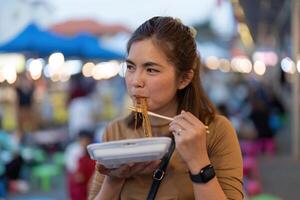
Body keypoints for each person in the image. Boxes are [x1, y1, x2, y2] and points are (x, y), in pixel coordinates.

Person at [88, 16, 243, 200]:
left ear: (184, 79)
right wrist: (114, 179)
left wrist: (198, 161)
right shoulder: (116, 131)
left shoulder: (215, 131)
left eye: (151, 69)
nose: (135, 81)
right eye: (130, 67)